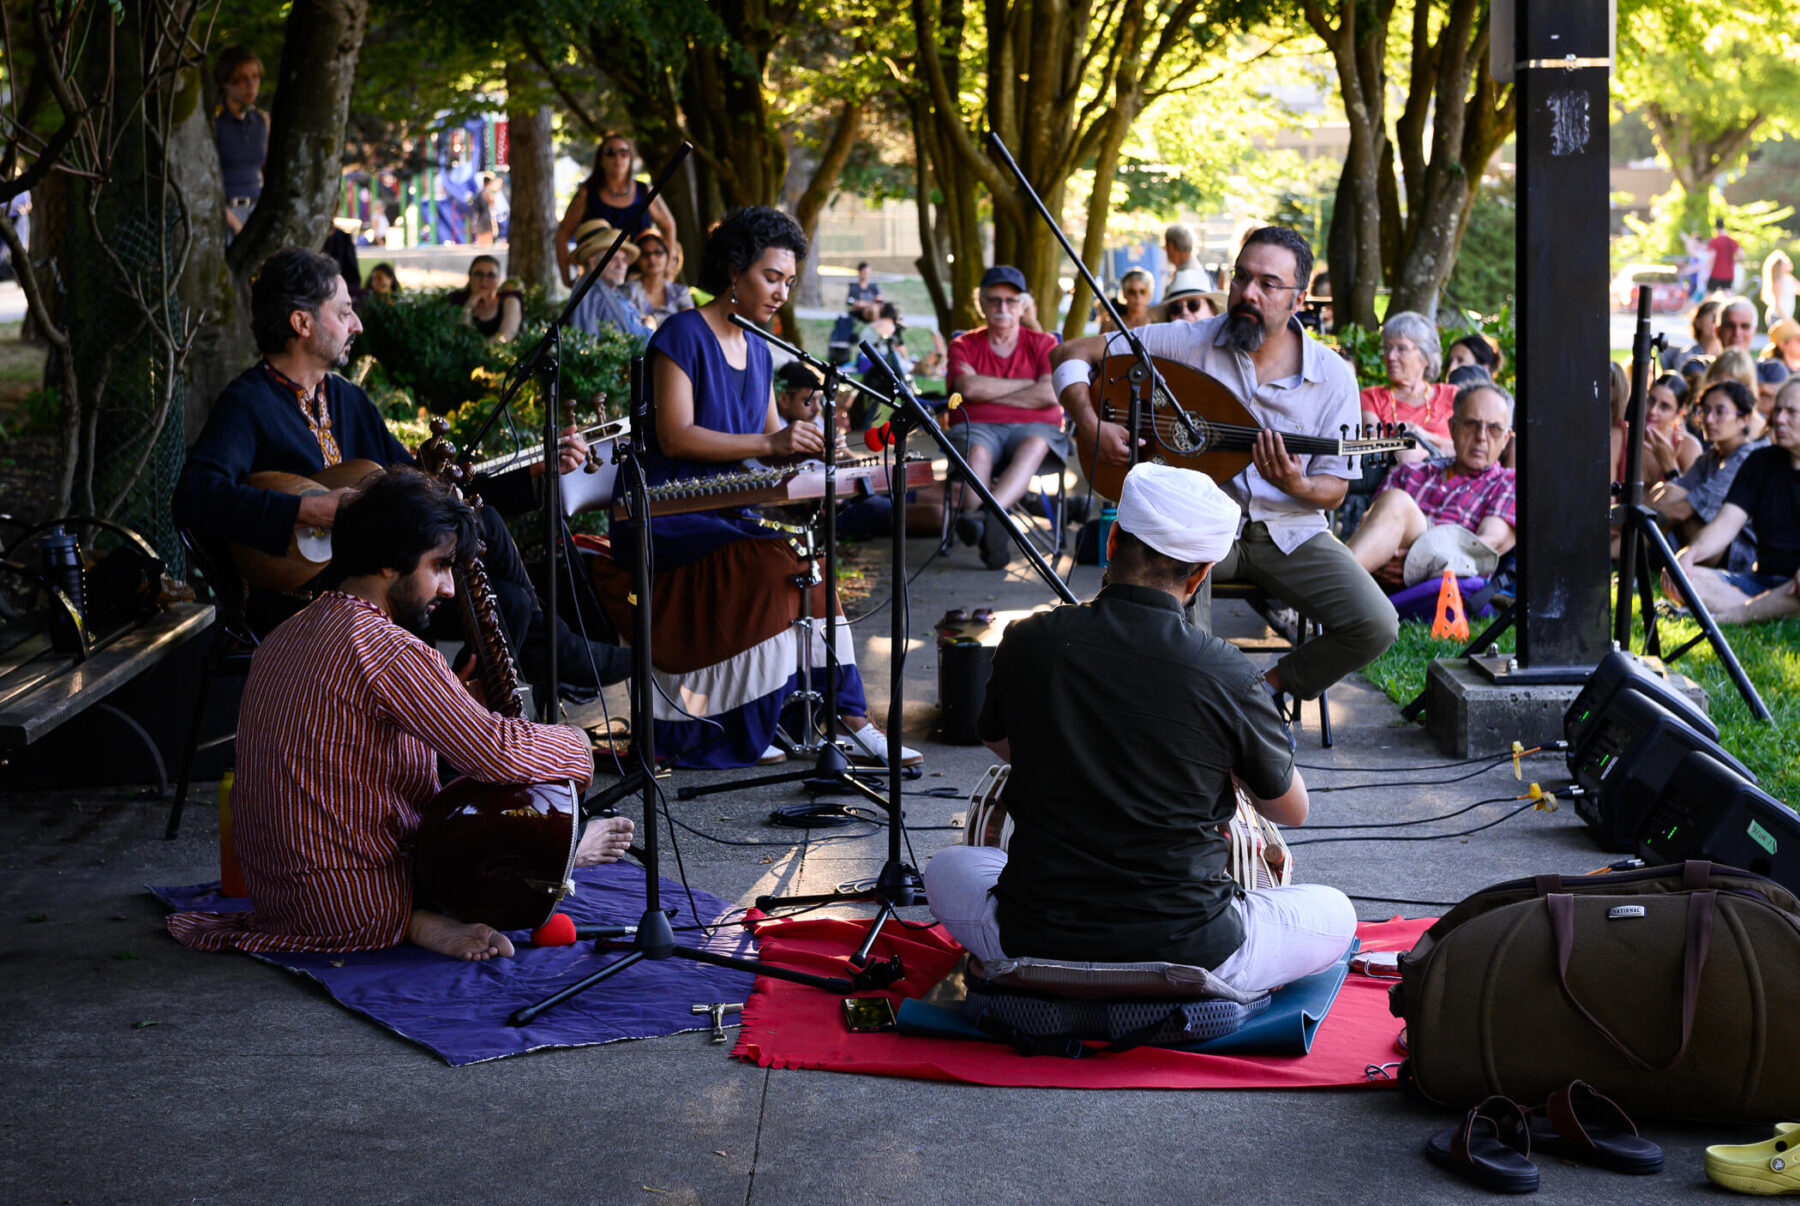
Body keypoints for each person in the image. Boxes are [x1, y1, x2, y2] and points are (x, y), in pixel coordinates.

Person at [166, 469, 633, 960]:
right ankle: (548, 863)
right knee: (504, 781)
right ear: (390, 561)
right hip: (353, 902)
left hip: (279, 897)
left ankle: (436, 908)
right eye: (439, 566)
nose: (449, 588)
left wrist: (456, 708)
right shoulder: (385, 648)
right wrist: (575, 744)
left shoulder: (288, 632)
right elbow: (499, 752)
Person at [922, 462, 1355, 990]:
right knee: (1335, 912)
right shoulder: (1229, 672)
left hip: (1035, 935)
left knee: (948, 869)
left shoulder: (1030, 639)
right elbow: (1292, 809)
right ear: (1200, 574)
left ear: (1112, 540)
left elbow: (996, 739)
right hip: (1193, 949)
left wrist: (1080, 753)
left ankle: (1045, 975)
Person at [173, 247, 627, 695]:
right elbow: (197, 495)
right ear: (302, 323)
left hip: (388, 580)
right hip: (302, 598)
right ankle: (551, 666)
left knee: (502, 592)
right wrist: (306, 511)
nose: (358, 324)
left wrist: (533, 473)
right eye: (345, 311)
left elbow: (427, 489)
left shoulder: (346, 399)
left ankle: (473, 741)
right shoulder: (248, 403)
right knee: (481, 542)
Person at [587, 206, 920, 770]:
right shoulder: (680, 334)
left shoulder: (759, 347)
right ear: (735, 270)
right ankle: (751, 722)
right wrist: (775, 446)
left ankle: (848, 719)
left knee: (807, 564)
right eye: (772, 277)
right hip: (663, 519)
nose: (781, 292)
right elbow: (676, 436)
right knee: (774, 563)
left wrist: (821, 454)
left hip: (722, 514)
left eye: (789, 282)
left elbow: (770, 443)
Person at [1052, 225, 1397, 708]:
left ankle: (1262, 693)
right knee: (1169, 613)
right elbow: (1068, 355)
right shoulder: (1185, 341)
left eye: (1267, 284)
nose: (1247, 293)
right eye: (1241, 278)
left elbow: (1334, 491)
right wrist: (1089, 424)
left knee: (1376, 624)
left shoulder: (1333, 376)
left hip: (1289, 531)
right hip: (1198, 525)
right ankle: (1191, 708)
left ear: (1298, 300)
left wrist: (1295, 483)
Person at [945, 265, 1067, 570]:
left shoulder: (1044, 344)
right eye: (994, 300)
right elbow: (968, 387)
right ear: (981, 304)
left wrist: (987, 391)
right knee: (977, 453)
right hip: (977, 428)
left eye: (1011, 301)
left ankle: (984, 519)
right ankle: (997, 518)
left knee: (1035, 444)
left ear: (1023, 305)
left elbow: (1051, 395)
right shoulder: (963, 345)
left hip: (1034, 429)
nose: (1002, 307)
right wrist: (1032, 385)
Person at [1347, 382, 1516, 586]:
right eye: (1471, 424)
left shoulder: (1508, 483)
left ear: (1506, 439)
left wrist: (1417, 564)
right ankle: (1330, 585)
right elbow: (1370, 526)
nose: (1481, 437)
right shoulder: (1409, 473)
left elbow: (1486, 547)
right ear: (1452, 428)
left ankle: (1326, 586)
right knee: (1394, 501)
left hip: (1445, 582)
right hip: (1380, 574)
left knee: (1397, 501)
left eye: (1494, 429)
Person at [1666, 379, 1800, 623]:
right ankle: (1765, 610)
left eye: (1791, 412)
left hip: (1796, 587)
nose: (1779, 419)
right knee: (1682, 575)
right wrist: (1690, 554)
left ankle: (1729, 617)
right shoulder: (1760, 462)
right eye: (1778, 410)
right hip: (1758, 583)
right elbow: (1725, 524)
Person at [1650, 379, 1765, 569]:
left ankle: (1611, 550)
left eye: (1720, 412)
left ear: (1744, 419)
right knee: (1667, 490)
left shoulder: (1746, 457)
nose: (1709, 419)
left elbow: (1682, 510)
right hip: (1711, 545)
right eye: (1704, 410)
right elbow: (1674, 491)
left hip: (1742, 556)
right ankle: (1618, 549)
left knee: (1677, 506)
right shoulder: (1711, 457)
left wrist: (1626, 521)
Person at [554, 134, 679, 288]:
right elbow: (562, 233)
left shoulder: (645, 191)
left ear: (630, 158)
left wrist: (666, 268)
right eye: (610, 153)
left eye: (623, 153)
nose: (617, 158)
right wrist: (566, 277)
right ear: (601, 159)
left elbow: (669, 225)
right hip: (598, 279)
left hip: (638, 279)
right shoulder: (587, 193)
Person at [1360, 311, 1457, 464]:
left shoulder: (1452, 395)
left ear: (1425, 355)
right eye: (1387, 348)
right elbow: (1374, 451)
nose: (1391, 356)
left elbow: (1468, 448)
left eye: (1402, 348)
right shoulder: (1371, 398)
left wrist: (1423, 436)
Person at [212, 46, 268, 240]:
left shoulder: (262, 121)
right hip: (223, 214)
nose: (251, 84)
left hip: (257, 211)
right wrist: (235, 223)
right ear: (226, 81)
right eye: (243, 78)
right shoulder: (214, 123)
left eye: (255, 77)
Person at [568, 220, 652, 341]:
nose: (621, 265)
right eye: (613, 258)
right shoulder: (591, 295)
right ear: (593, 262)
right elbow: (589, 348)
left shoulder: (608, 289)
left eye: (624, 259)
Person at [1640, 372, 1703, 482]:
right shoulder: (1621, 437)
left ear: (1678, 413)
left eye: (1664, 406)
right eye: (1651, 400)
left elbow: (1691, 496)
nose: (1653, 411)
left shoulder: (1688, 446)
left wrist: (1670, 466)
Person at [445, 254, 522, 343]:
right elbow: (460, 335)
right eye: (478, 274)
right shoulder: (456, 299)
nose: (484, 280)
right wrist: (470, 305)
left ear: (498, 280)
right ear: (470, 277)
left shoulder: (509, 302)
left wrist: (478, 348)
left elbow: (505, 337)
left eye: (491, 275)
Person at [624, 231, 693, 328]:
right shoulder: (628, 290)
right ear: (637, 260)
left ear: (667, 257)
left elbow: (689, 324)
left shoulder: (680, 292)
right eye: (645, 254)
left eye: (658, 252)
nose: (652, 258)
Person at [1098, 267, 1154, 333]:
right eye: (1132, 292)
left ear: (1149, 293)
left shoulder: (1158, 322)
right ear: (1124, 294)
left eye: (1143, 291)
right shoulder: (1109, 326)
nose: (1138, 296)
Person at [1164, 222, 1211, 291]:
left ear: (1171, 246)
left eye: (1166, 245)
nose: (1164, 248)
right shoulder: (1193, 270)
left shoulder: (1187, 275)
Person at [1763, 250, 1797, 329]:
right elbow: (1776, 304)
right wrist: (1786, 320)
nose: (1788, 262)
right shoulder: (1778, 282)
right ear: (1780, 266)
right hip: (1777, 317)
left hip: (1786, 317)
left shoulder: (1789, 279)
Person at [1707, 219, 1741, 294]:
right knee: (1727, 296)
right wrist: (1733, 261)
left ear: (1716, 228)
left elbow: (1712, 257)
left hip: (1716, 274)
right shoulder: (1733, 241)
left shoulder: (1715, 241)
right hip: (1728, 275)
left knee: (1709, 296)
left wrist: (1706, 272)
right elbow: (1742, 256)